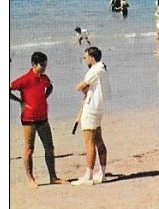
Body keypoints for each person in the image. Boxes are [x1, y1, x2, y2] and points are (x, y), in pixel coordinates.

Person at [10, 51, 64, 186]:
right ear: (34, 64)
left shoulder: (44, 78)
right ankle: (31, 179)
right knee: (29, 148)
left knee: (49, 147)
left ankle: (53, 177)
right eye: (42, 65)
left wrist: (45, 97)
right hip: (29, 119)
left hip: (43, 118)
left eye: (46, 64)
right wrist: (20, 101)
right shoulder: (24, 79)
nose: (44, 67)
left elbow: (50, 87)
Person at [69, 46, 111, 185]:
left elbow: (80, 86)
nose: (84, 59)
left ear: (92, 58)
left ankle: (88, 176)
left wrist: (84, 88)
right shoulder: (102, 68)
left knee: (89, 143)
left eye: (85, 57)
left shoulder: (94, 70)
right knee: (98, 140)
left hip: (91, 108)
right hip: (98, 108)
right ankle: (102, 173)